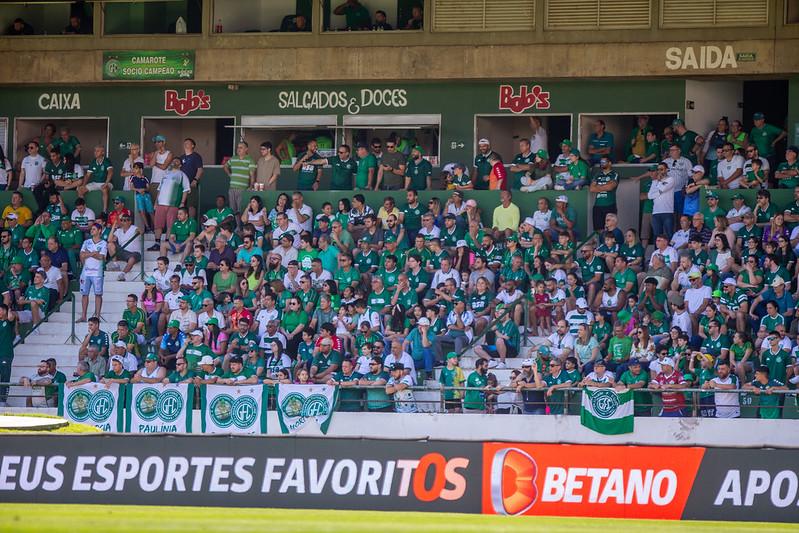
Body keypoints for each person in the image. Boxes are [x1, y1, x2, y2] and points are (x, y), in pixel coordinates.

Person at [149, 158, 190, 252]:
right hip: (161, 203)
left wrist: (182, 203)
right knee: (158, 224)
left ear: (180, 165)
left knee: (170, 225)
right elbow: (159, 189)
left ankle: (167, 242)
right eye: (173, 161)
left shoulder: (182, 175)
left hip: (173, 204)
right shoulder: (165, 174)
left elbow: (186, 190)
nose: (174, 162)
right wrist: (156, 202)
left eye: (177, 161)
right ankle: (157, 243)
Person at [77, 223, 106, 322]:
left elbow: (101, 257)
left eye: (94, 229)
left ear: (99, 231)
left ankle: (97, 316)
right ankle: (84, 316)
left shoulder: (103, 243)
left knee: (98, 294)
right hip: (85, 272)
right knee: (84, 294)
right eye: (91, 229)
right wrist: (94, 253)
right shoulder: (86, 242)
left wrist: (88, 254)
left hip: (97, 272)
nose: (91, 230)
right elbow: (81, 255)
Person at [78, 145, 113, 213]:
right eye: (95, 151)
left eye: (98, 151)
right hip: (95, 183)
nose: (95, 152)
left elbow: (110, 173)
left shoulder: (107, 161)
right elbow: (87, 175)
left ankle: (104, 211)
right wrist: (83, 185)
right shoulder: (93, 162)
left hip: (107, 182)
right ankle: (83, 210)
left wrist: (106, 183)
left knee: (104, 189)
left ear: (103, 152)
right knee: (80, 190)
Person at [223, 141, 256, 214]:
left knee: (240, 209)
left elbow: (252, 175)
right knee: (232, 210)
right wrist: (229, 174)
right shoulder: (233, 158)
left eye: (241, 147)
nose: (238, 149)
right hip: (232, 188)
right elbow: (225, 166)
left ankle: (240, 225)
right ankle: (234, 225)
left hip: (242, 189)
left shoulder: (250, 160)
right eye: (238, 147)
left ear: (246, 149)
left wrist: (251, 186)